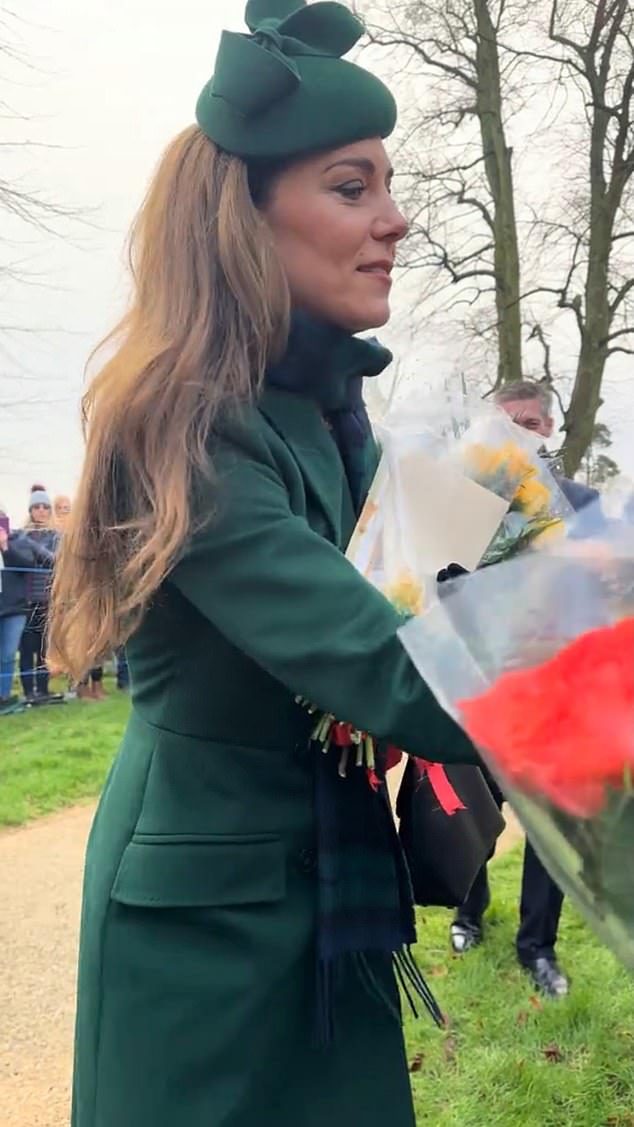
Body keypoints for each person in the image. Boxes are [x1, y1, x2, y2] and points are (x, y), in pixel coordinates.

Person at [49, 4, 479, 1125]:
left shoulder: (334, 412)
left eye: (388, 186)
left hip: (331, 887)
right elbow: (392, 662)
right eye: (351, 187)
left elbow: (452, 582)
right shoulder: (183, 423)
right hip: (206, 930)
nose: (394, 221)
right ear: (241, 217)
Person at [450, 378, 600, 999]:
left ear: (550, 432)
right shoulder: (464, 504)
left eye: (531, 423)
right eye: (507, 422)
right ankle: (467, 912)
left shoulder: (583, 504)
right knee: (473, 816)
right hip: (480, 688)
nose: (519, 433)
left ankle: (538, 947)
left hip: (555, 692)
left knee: (548, 827)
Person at [19, 489, 59, 701]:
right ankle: (28, 692)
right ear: (31, 510)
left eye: (45, 507)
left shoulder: (56, 535)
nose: (41, 511)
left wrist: (32, 547)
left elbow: (55, 560)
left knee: (44, 649)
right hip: (25, 600)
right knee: (26, 649)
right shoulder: (21, 535)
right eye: (37, 507)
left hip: (47, 600)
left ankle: (43, 690)